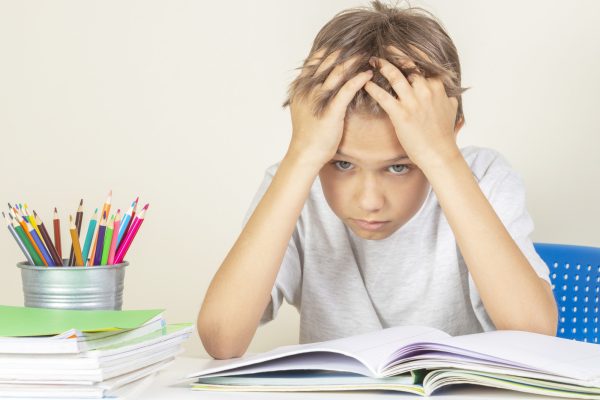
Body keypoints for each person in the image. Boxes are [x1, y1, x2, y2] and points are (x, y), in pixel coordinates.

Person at [197, 1, 558, 359]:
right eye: (341, 164)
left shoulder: (483, 177)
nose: (370, 201)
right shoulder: (296, 181)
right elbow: (222, 339)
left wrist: (441, 156)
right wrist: (301, 156)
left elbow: (534, 335)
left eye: (400, 167)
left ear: (451, 133)